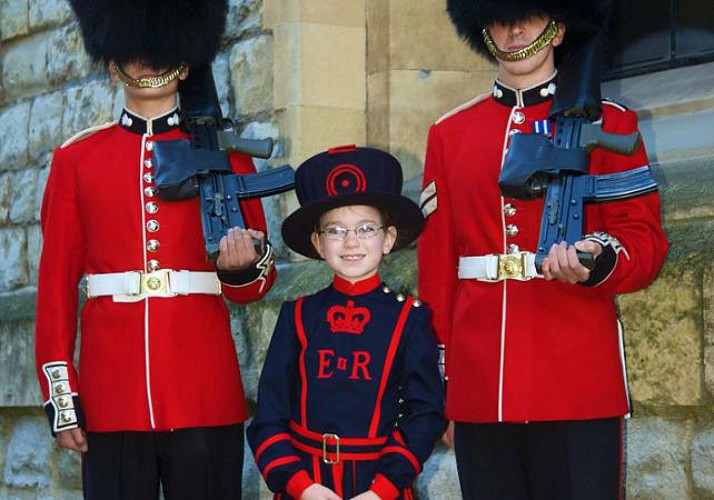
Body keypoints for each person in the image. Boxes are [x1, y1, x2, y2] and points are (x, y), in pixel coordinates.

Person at [418, 1, 669, 499]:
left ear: (557, 28)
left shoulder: (611, 125)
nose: (513, 30)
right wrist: (440, 381)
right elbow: (437, 268)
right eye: (499, 17)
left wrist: (598, 257)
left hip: (574, 374)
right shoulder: (450, 134)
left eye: (528, 15)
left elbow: (644, 240)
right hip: (480, 382)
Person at [34, 0, 277, 498]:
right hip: (112, 397)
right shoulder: (77, 160)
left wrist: (239, 269)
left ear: (186, 60)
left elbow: (256, 285)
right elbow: (55, 288)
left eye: (162, 48)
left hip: (203, 391)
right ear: (111, 60)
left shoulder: (225, 154)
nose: (147, 60)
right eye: (133, 49)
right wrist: (63, 398)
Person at [247, 145, 445, 500]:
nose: (351, 241)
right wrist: (301, 486)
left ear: (388, 239)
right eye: (335, 231)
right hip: (305, 485)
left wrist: (382, 490)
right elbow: (268, 417)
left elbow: (424, 414)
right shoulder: (298, 316)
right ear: (318, 244)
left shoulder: (410, 319)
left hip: (378, 487)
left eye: (366, 228)